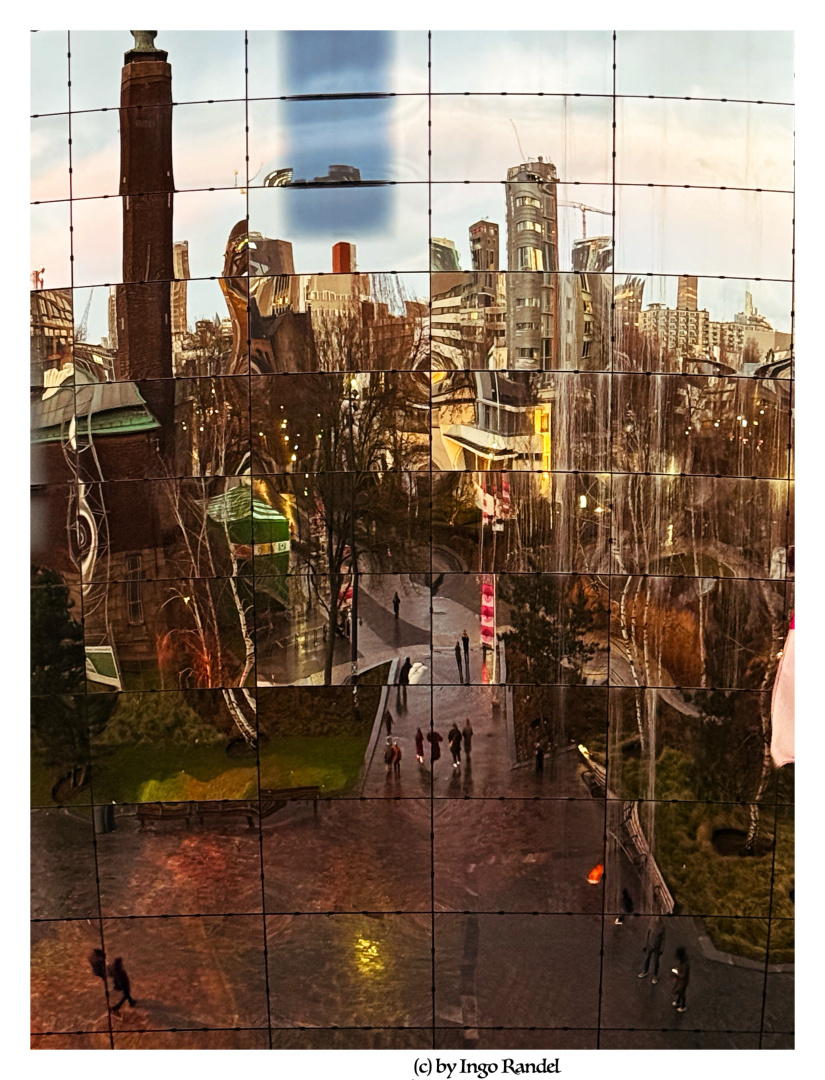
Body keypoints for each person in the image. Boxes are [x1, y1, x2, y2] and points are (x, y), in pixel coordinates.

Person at [638, 915, 666, 983]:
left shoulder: (663, 926)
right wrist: (645, 944)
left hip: (657, 946)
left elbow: (663, 938)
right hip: (649, 945)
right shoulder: (652, 923)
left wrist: (661, 949)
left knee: (656, 961)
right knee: (647, 958)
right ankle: (645, 971)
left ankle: (655, 976)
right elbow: (647, 934)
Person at [671, 947, 690, 1012]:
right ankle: (678, 1001)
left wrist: (677, 973)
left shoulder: (685, 964)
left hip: (683, 981)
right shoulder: (684, 962)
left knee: (682, 992)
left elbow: (683, 975)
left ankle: (683, 1006)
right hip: (682, 980)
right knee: (680, 991)